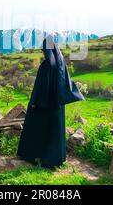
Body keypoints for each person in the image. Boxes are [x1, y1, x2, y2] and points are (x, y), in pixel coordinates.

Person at [17, 36, 85, 168]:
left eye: (43, 50)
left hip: (43, 105)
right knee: (55, 132)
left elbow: (40, 87)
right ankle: (55, 160)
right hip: (57, 106)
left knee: (36, 128)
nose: (42, 52)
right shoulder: (61, 64)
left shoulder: (46, 65)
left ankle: (32, 155)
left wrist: (34, 103)